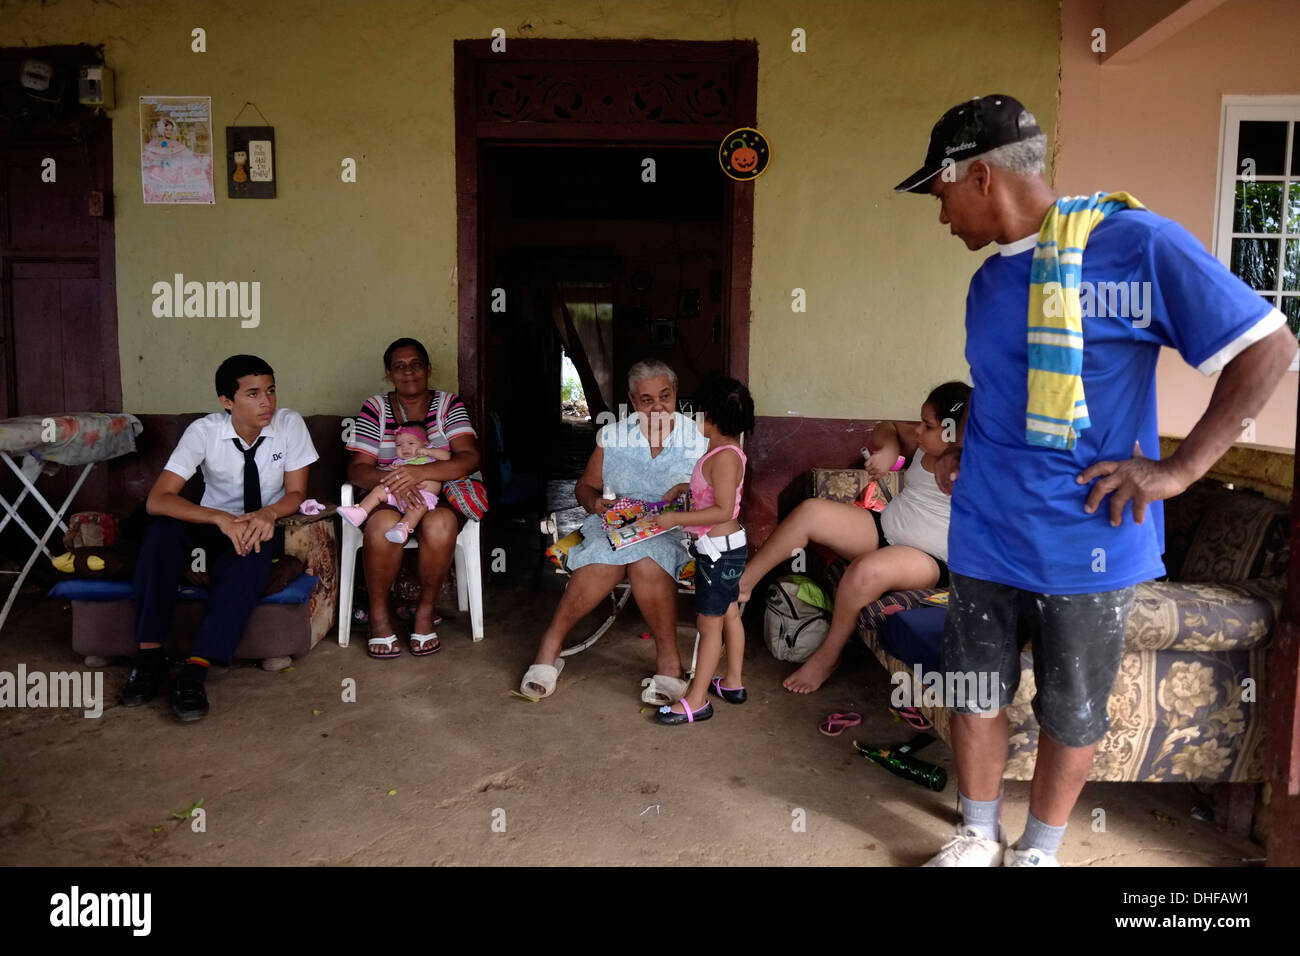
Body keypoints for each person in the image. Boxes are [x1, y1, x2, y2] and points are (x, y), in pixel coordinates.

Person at [894, 94, 1296, 866]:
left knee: (1071, 711)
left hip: (1088, 538)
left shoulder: (1133, 245)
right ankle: (977, 833)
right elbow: (1008, 390)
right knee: (974, 692)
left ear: (978, 175)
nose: (941, 215)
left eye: (940, 194)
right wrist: (960, 452)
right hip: (983, 531)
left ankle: (1038, 850)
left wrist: (1180, 469)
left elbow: (1268, 347)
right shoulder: (987, 284)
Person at [736, 382, 970, 693]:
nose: (917, 431)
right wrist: (889, 449)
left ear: (954, 430)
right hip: (884, 528)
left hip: (930, 559)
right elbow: (886, 427)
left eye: (928, 426)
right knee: (810, 512)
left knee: (865, 570)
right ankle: (743, 585)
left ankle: (829, 656)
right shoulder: (923, 447)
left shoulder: (975, 464)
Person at [120, 354, 319, 721]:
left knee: (255, 556)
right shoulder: (205, 431)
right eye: (254, 394)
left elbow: (296, 494)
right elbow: (158, 499)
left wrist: (267, 513)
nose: (267, 402)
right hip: (212, 526)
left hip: (262, 526)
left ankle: (195, 671)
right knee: (160, 535)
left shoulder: (290, 425)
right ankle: (149, 658)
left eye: (271, 391)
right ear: (227, 402)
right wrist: (221, 519)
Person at [520, 359, 705, 700]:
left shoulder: (698, 437)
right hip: (616, 525)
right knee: (604, 561)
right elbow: (586, 486)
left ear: (676, 394)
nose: (657, 406)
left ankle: (668, 660)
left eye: (665, 395)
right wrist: (594, 504)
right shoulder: (615, 435)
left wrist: (688, 501)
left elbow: (718, 493)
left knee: (648, 562)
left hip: (670, 529)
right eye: (646, 399)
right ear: (634, 402)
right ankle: (550, 645)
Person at [345, 338, 485, 659]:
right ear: (389, 373)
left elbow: (469, 458)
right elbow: (357, 469)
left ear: (428, 369)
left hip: (438, 494)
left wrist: (422, 474)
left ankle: (424, 612)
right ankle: (379, 617)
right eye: (400, 366)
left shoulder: (449, 404)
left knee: (440, 526)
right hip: (387, 494)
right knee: (381, 526)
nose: (409, 372)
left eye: (416, 364)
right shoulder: (375, 408)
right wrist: (398, 480)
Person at [648, 376, 754, 725]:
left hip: (717, 552)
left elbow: (724, 510)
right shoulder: (723, 452)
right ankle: (733, 682)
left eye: (699, 413)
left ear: (711, 418)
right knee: (730, 615)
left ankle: (697, 700)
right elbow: (712, 493)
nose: (695, 418)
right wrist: (684, 487)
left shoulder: (723, 458)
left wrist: (675, 518)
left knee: (708, 626)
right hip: (726, 549)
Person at [338, 423, 452, 544]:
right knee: (379, 490)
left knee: (416, 509)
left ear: (425, 443)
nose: (404, 448)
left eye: (411, 443)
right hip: (398, 494)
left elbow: (447, 457)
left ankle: (402, 528)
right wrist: (392, 470)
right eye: (399, 445)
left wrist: (429, 452)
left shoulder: (430, 454)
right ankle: (360, 512)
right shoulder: (399, 462)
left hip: (422, 496)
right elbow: (389, 477)